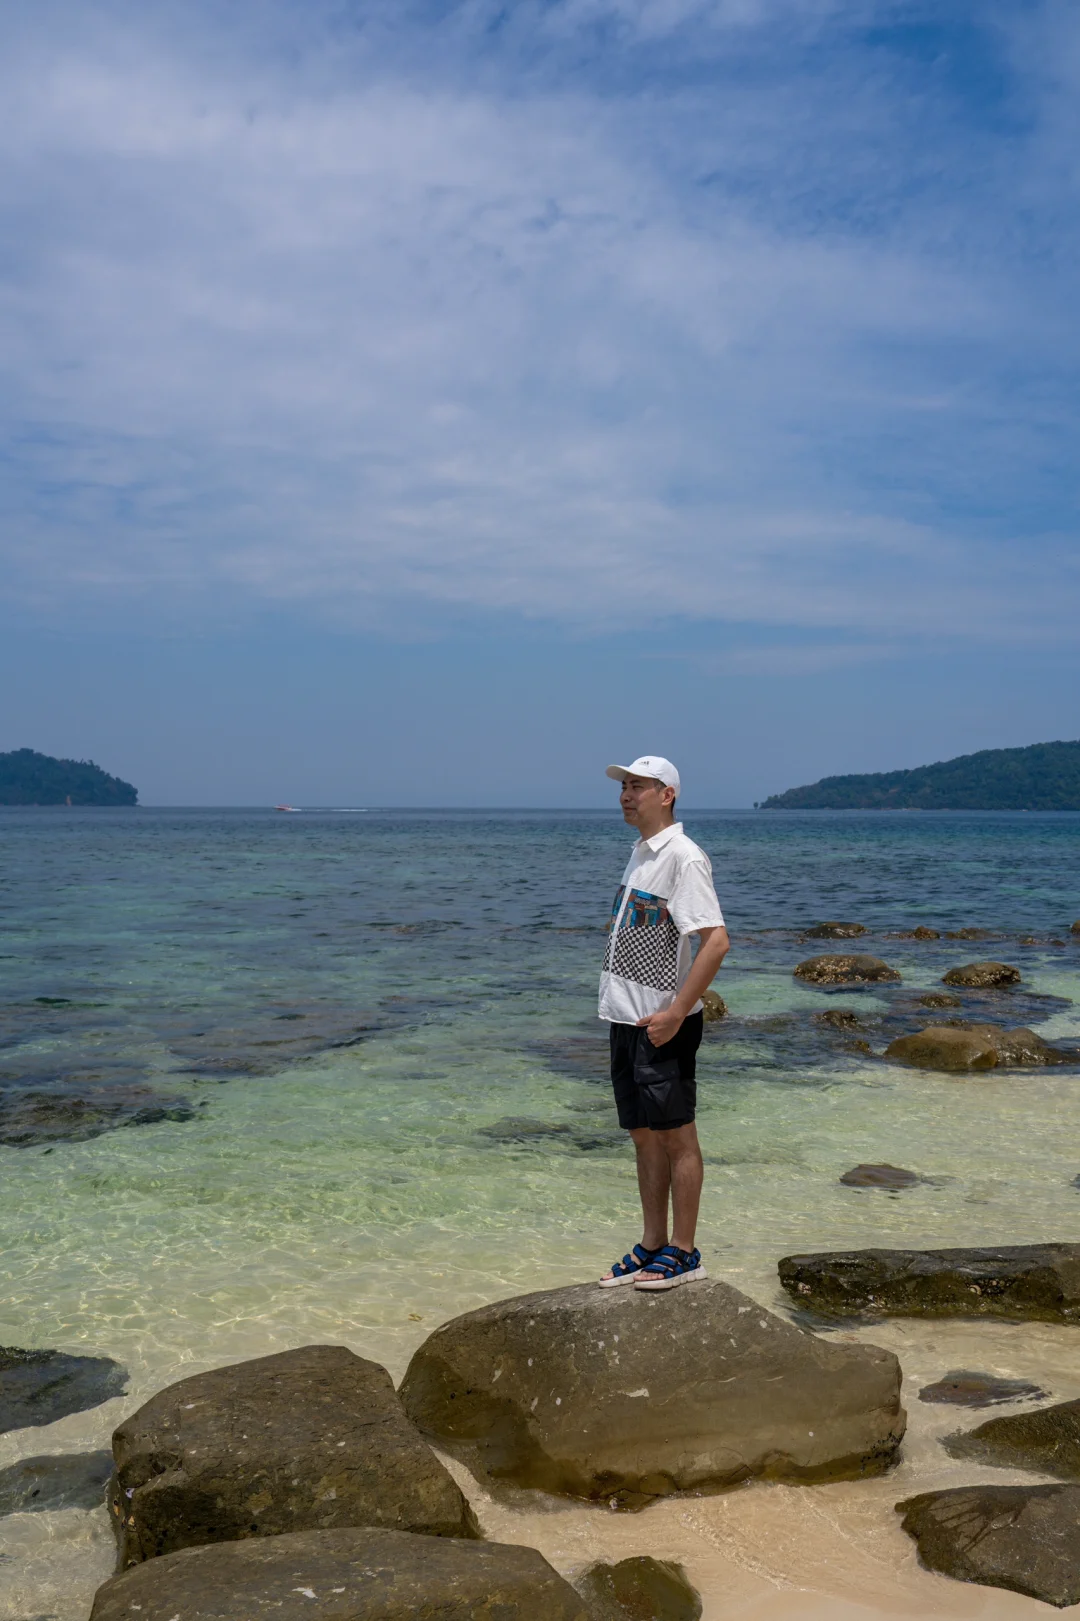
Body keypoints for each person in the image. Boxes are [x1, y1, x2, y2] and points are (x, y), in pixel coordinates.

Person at [597, 756, 729, 1292]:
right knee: (643, 1138)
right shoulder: (639, 855)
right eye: (624, 786)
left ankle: (685, 1250)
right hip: (625, 1019)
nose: (627, 794)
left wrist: (677, 1011)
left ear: (667, 794)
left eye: (638, 786)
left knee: (678, 1139)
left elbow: (715, 940)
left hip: (662, 1023)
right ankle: (652, 1243)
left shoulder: (683, 857)